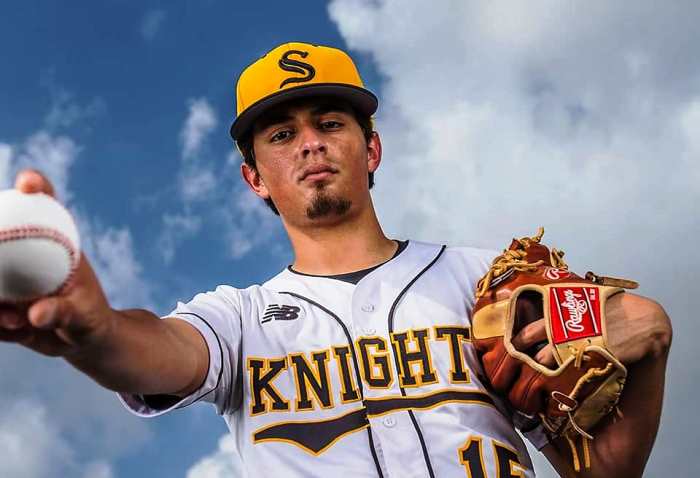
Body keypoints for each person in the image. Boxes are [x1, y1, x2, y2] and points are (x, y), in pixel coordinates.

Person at [0, 42, 671, 477]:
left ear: (370, 150)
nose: (309, 145)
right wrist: (96, 331)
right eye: (283, 133)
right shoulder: (241, 319)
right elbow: (156, 349)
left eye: (330, 123)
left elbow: (605, 469)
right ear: (254, 179)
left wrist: (653, 340)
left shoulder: (483, 284)